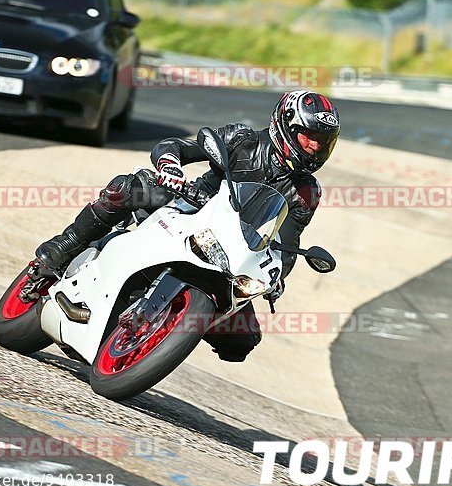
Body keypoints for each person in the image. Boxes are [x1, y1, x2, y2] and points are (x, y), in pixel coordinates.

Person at [35, 90, 340, 361]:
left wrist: (277, 276)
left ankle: (172, 327)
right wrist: (170, 165)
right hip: (189, 207)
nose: (314, 147)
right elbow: (178, 147)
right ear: (285, 126)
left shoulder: (306, 193)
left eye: (322, 141)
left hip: (231, 253)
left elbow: (286, 243)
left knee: (242, 341)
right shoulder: (243, 140)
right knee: (129, 189)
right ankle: (66, 245)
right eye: (308, 136)